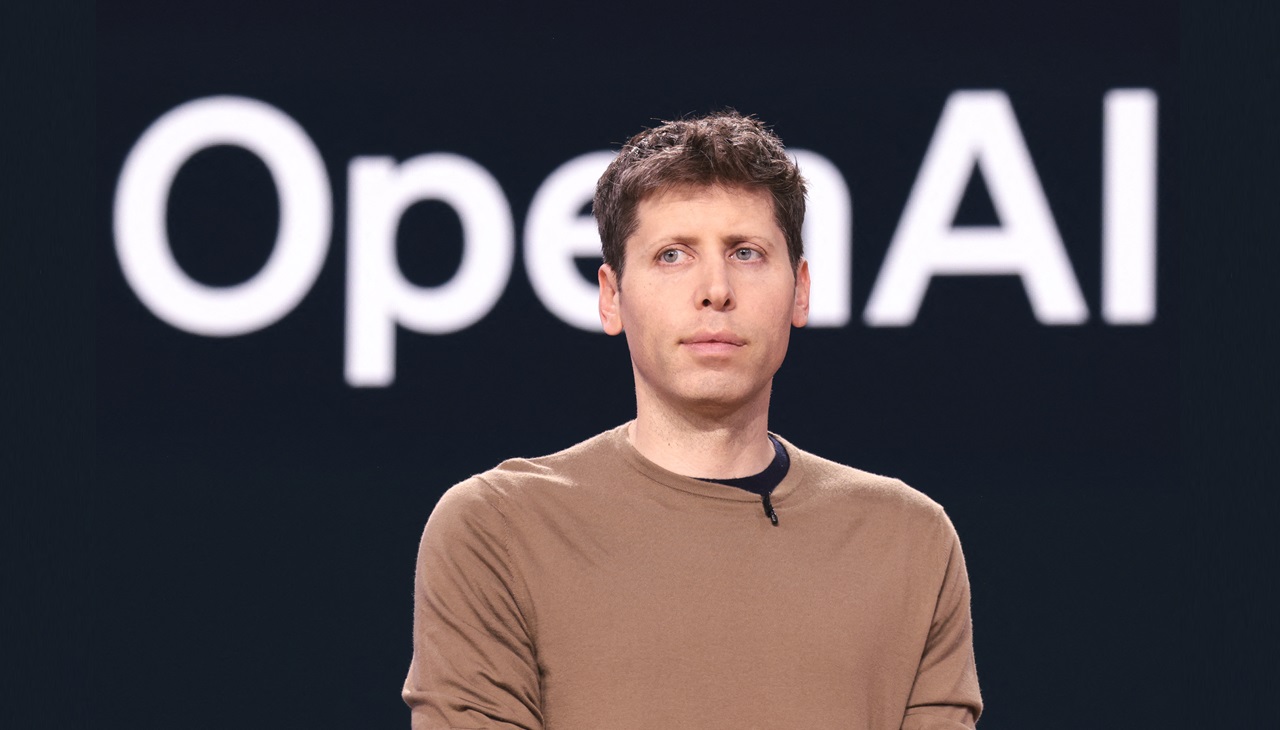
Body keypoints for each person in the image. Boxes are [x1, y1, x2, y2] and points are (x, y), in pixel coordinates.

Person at [403, 111, 982, 729]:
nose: (715, 289)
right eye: (673, 254)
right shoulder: (498, 530)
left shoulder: (908, 541)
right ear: (611, 296)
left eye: (747, 253)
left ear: (801, 290)